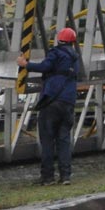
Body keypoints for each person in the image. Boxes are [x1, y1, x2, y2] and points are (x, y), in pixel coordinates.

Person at [34, 27, 82, 185]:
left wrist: (25, 64)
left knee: (47, 140)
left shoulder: (56, 53)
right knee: (64, 140)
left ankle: (47, 177)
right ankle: (65, 176)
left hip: (52, 102)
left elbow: (44, 67)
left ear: (59, 39)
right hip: (68, 102)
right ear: (73, 41)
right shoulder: (75, 58)